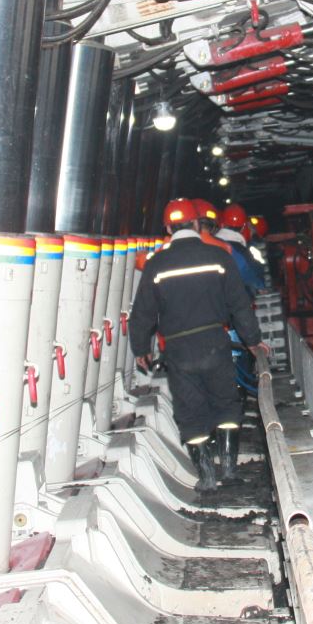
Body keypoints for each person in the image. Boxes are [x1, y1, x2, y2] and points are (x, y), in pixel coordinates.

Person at [130, 199, 269, 490]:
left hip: (178, 350)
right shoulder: (218, 257)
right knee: (226, 403)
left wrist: (140, 348)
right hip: (215, 342)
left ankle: (207, 477)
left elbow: (142, 312)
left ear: (168, 229)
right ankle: (228, 469)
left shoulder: (157, 264)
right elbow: (239, 306)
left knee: (190, 412)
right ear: (196, 224)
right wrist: (254, 342)